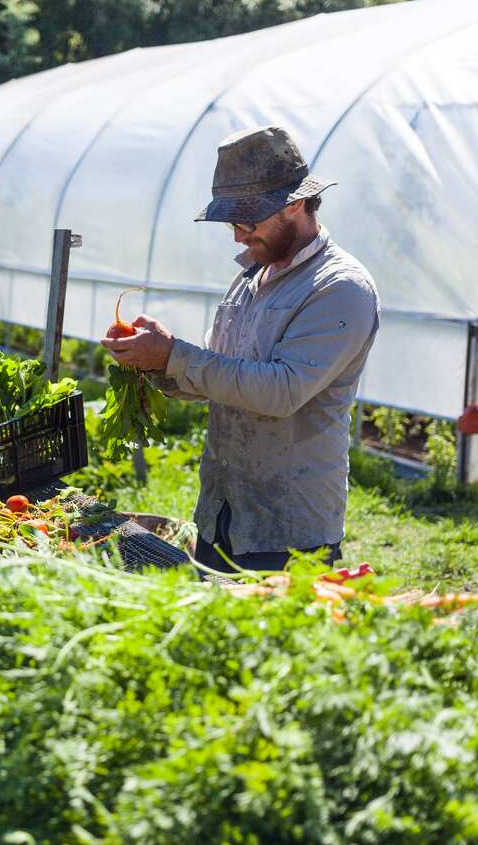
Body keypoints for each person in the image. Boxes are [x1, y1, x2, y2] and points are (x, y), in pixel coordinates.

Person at [101, 125, 380, 574]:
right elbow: (218, 377)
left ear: (294, 204)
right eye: (233, 223)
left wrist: (174, 355)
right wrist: (155, 361)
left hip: (288, 529)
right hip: (223, 511)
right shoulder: (251, 276)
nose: (237, 236)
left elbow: (282, 391)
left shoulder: (339, 287)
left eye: (248, 222)